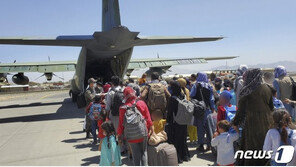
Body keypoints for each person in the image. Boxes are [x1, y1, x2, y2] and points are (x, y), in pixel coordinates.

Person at [232, 69, 274, 166]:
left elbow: (241, 111)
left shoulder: (247, 91)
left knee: (252, 147)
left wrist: (235, 123)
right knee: (265, 144)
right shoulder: (267, 88)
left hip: (252, 123)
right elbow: (271, 107)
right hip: (267, 122)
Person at [117, 87, 153, 166]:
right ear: (134, 93)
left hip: (131, 134)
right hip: (143, 132)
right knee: (144, 152)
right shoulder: (141, 103)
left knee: (135, 154)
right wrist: (151, 128)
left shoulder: (122, 108)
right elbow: (148, 118)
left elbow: (120, 124)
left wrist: (119, 134)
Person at [190, 72, 216, 152]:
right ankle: (209, 145)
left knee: (200, 128)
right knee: (209, 128)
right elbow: (211, 99)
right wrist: (213, 109)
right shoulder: (209, 86)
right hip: (207, 110)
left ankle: (201, 145)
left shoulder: (196, 85)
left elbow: (191, 95)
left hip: (199, 110)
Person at [167, 81, 191, 163]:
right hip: (184, 121)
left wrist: (168, 122)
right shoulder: (183, 95)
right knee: (183, 139)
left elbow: (170, 112)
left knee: (176, 139)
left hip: (176, 122)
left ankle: (179, 157)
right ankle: (185, 156)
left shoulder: (173, 98)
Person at [178, 78, 197, 144]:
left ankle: (191, 139)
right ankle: (195, 138)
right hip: (189, 109)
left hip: (183, 110)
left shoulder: (179, 91)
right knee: (193, 125)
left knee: (187, 126)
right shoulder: (187, 90)